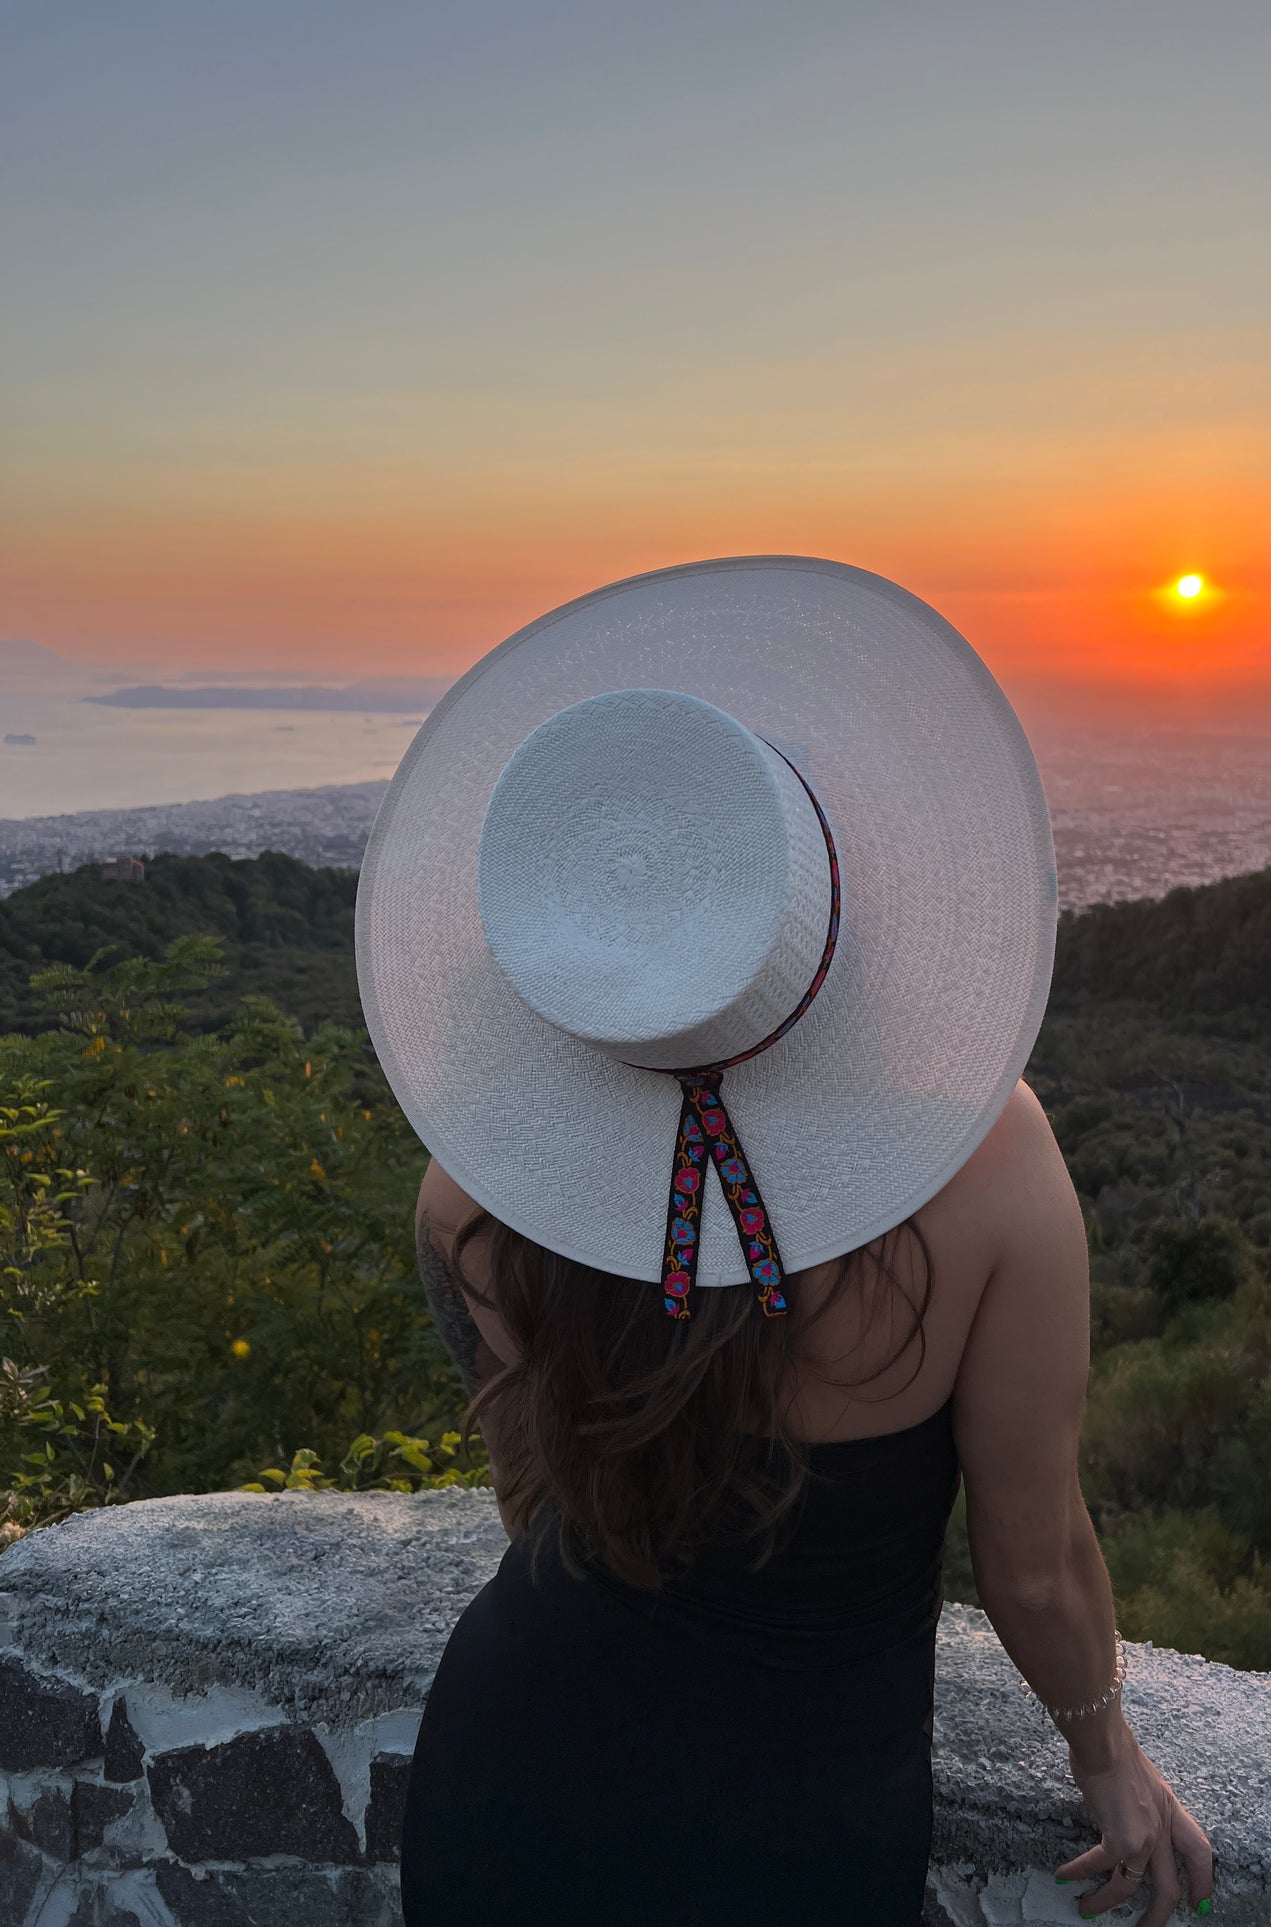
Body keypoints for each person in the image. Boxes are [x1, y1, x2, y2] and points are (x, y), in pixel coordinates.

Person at [356, 558, 1216, 1926]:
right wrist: (1104, 1755)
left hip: (505, 1779)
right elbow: (1035, 1559)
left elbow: (540, 1489)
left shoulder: (468, 1192)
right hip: (794, 1826)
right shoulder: (987, 1163)